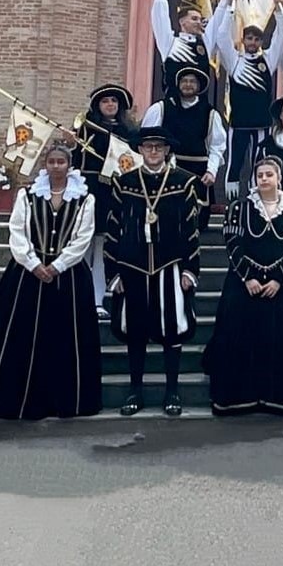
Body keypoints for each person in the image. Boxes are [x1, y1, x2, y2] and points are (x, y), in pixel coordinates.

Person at [0, 140, 101, 420]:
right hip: (27, 275)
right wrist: (33, 263)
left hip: (69, 278)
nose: (56, 167)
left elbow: (83, 238)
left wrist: (58, 265)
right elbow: (17, 231)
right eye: (51, 162)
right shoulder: (28, 196)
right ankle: (18, 398)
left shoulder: (85, 198)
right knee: (20, 336)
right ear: (45, 165)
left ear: (69, 165)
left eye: (61, 162)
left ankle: (65, 398)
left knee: (65, 340)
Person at [105, 126, 202, 417]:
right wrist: (114, 273)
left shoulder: (183, 182)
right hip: (132, 266)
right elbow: (112, 228)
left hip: (169, 265)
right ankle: (136, 391)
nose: (154, 152)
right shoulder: (124, 182)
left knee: (171, 330)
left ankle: (172, 391)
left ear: (167, 150)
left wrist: (190, 270)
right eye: (148, 147)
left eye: (159, 147)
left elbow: (191, 229)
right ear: (140, 150)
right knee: (136, 332)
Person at [202, 156, 283, 416]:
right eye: (260, 175)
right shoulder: (239, 208)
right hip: (243, 286)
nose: (264, 179)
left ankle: (274, 398)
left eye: (269, 174)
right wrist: (248, 277)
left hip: (279, 289)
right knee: (239, 340)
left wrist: (279, 278)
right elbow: (233, 243)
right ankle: (237, 398)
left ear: (279, 178)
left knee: (277, 341)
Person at [216, 0, 283, 203]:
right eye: (249, 38)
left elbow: (282, 37)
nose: (252, 42)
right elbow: (222, 38)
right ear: (243, 40)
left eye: (256, 39)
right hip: (238, 125)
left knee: (261, 165)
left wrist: (279, 10)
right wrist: (230, 6)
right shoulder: (234, 61)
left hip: (262, 125)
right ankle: (231, 206)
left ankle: (256, 203)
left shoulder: (267, 60)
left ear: (260, 41)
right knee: (234, 165)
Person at [71, 83, 139, 317]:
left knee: (102, 248)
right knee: (81, 247)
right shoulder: (87, 129)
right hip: (89, 192)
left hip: (113, 195)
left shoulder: (129, 134)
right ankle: (76, 296)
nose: (110, 105)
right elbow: (76, 162)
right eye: (105, 101)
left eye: (114, 101)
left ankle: (98, 300)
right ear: (98, 106)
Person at [139, 66, 226, 220]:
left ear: (199, 86)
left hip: (198, 173)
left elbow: (217, 146)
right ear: (178, 84)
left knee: (195, 220)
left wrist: (211, 171)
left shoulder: (210, 114)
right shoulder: (161, 108)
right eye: (184, 81)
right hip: (167, 170)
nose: (188, 84)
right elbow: (147, 140)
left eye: (192, 81)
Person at [150, 0, 225, 97]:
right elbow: (159, 14)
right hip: (173, 105)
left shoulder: (205, 43)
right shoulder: (170, 43)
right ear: (182, 22)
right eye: (194, 19)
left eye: (200, 19)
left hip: (199, 107)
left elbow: (218, 18)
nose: (198, 22)